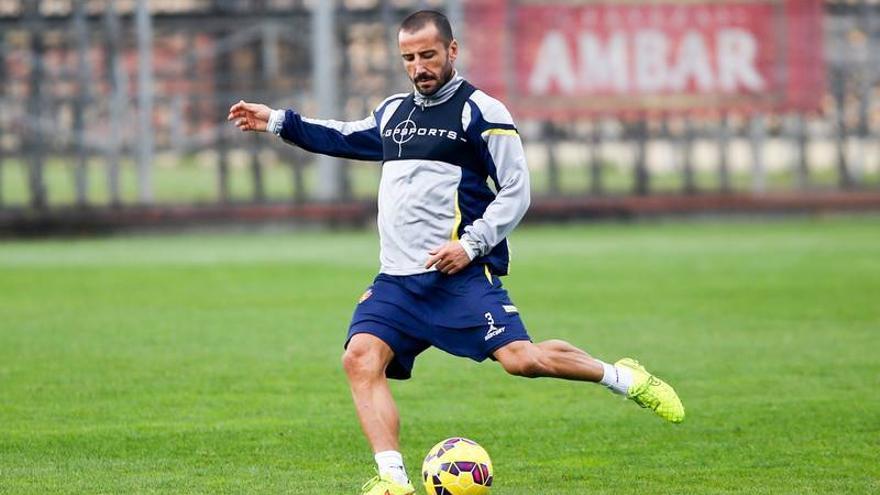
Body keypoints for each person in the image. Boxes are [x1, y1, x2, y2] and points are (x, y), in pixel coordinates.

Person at [228, 10, 684, 495]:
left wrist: (470, 246)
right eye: (408, 58)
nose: (419, 67)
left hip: (457, 280)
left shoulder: (481, 112)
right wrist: (277, 121)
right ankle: (393, 482)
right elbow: (343, 136)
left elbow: (516, 190)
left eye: (428, 55)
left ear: (452, 50)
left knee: (522, 360)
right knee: (360, 359)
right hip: (397, 283)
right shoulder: (394, 113)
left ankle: (622, 376)